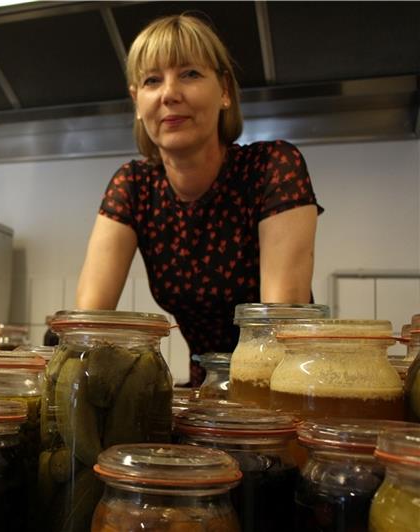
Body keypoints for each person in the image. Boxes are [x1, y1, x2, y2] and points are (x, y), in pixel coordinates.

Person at [75, 14, 321, 385]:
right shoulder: (135, 185)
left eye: (189, 73)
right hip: (203, 390)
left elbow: (276, 328)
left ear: (224, 90)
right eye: (152, 80)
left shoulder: (273, 166)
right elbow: (87, 325)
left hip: (280, 387)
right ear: (137, 103)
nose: (169, 93)